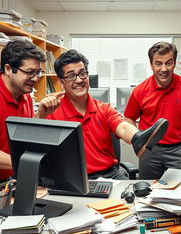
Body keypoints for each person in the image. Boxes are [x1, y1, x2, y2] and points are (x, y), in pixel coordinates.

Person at [47, 49, 168, 180]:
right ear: (61, 82)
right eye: (71, 76)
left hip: (110, 174)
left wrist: (136, 137)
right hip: (74, 178)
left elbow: (122, 127)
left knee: (134, 197)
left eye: (82, 74)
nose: (79, 80)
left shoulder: (104, 108)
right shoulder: (51, 113)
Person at [124, 41, 181, 179]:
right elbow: (128, 118)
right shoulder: (140, 91)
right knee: (148, 194)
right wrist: (138, 140)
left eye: (168, 63)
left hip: (180, 149)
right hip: (150, 150)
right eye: (158, 63)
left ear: (175, 63)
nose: (164, 69)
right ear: (151, 65)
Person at [0, 40, 64, 182]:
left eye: (39, 72)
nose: (36, 78)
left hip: (11, 177)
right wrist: (28, 163)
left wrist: (40, 115)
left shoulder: (26, 97)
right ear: (8, 69)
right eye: (29, 72)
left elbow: (24, 137)